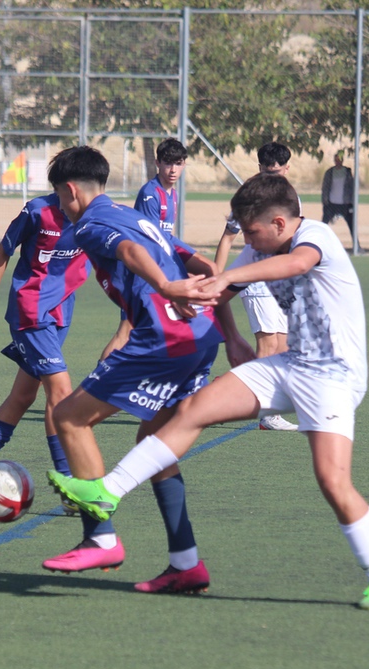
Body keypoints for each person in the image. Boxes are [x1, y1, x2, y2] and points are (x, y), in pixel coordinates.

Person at [49, 173, 369, 610]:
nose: (246, 241)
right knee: (192, 410)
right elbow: (222, 289)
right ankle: (109, 491)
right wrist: (206, 311)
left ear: (279, 223)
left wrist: (227, 278)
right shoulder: (260, 248)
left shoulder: (316, 236)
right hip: (289, 365)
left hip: (333, 376)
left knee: (333, 482)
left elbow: (295, 265)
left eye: (251, 231)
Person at [42, 145, 250, 591]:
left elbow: (129, 251)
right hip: (200, 337)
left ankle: (100, 539)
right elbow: (201, 264)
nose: (61, 206)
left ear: (71, 191)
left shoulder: (90, 225)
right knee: (153, 444)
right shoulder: (138, 216)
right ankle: (186, 562)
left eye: (59, 197)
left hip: (164, 339)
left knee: (68, 417)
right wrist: (230, 333)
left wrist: (165, 285)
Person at [0, 191, 90, 506]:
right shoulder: (38, 211)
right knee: (60, 393)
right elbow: (5, 250)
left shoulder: (95, 213)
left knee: (23, 396)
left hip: (61, 314)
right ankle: (68, 484)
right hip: (31, 312)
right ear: (67, 188)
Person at [213, 140, 299, 433]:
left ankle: (221, 392)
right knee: (268, 345)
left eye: (278, 171)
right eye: (267, 172)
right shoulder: (250, 198)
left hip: (282, 280)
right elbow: (228, 239)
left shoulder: (291, 198)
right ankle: (267, 413)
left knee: (283, 346)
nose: (273, 177)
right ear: (260, 168)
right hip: (256, 280)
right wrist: (217, 276)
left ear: (287, 168)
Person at [134, 138, 187, 235]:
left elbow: (165, 235)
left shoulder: (174, 194)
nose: (173, 170)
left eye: (178, 164)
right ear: (158, 163)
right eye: (168, 163)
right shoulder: (150, 194)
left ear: (184, 164)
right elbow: (151, 237)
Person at [321, 151, 355, 238]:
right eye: (336, 160)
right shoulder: (329, 172)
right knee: (323, 225)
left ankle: (356, 244)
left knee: (352, 226)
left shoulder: (347, 172)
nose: (338, 162)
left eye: (339, 160)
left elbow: (351, 187)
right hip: (331, 203)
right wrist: (325, 201)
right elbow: (325, 187)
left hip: (345, 203)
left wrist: (352, 202)